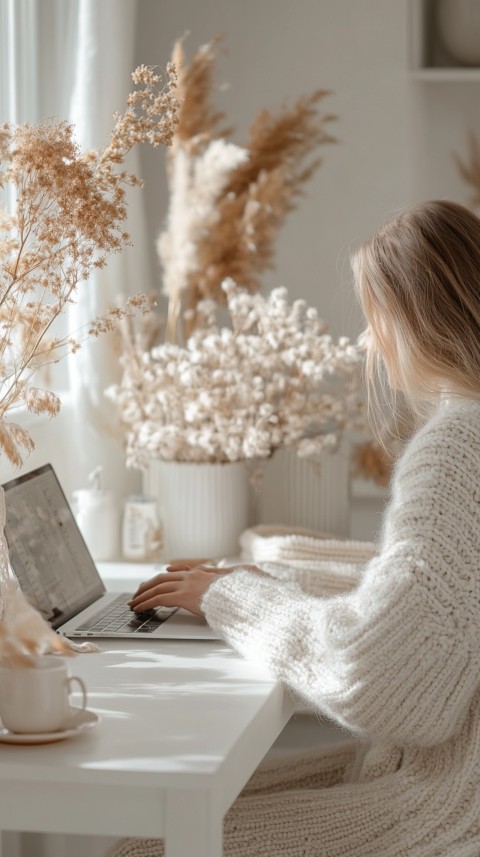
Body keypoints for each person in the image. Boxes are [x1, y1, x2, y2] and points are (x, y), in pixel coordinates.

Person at [107, 200, 480, 856]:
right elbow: (446, 596)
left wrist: (231, 598)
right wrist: (269, 575)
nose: (369, 341)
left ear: (412, 318)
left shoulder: (458, 446)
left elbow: (377, 677)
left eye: (374, 318)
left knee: (142, 848)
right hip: (451, 786)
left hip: (446, 811)